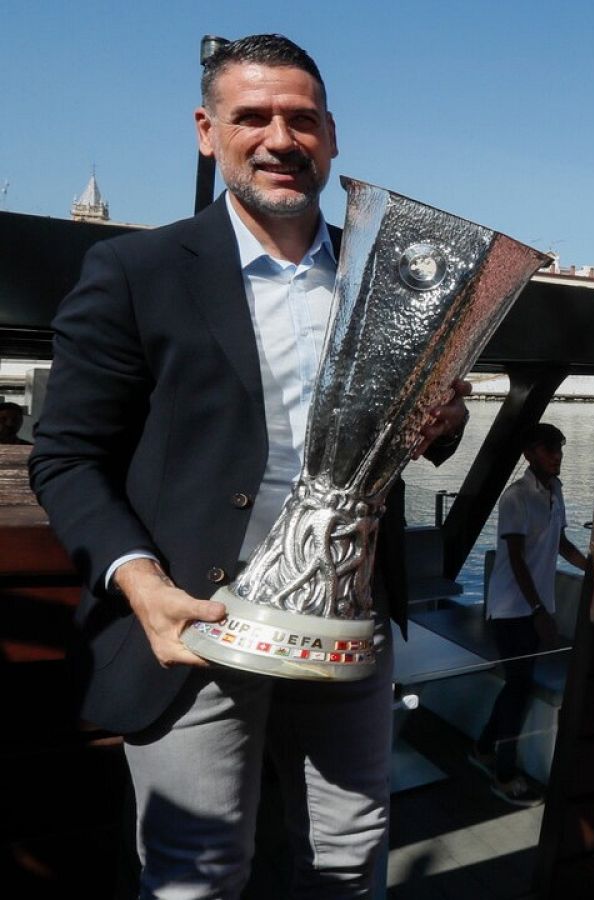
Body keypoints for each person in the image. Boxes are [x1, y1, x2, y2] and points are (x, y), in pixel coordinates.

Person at [28, 34, 468, 897]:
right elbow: (68, 456)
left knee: (349, 859)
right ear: (207, 130)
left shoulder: (392, 275)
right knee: (197, 873)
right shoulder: (133, 271)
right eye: (252, 117)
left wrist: (444, 419)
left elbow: (428, 435)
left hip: (348, 620)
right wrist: (140, 585)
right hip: (195, 617)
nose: (280, 138)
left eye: (301, 119)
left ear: (332, 136)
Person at [473, 421, 586, 805]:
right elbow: (517, 558)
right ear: (529, 454)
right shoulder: (515, 497)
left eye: (558, 448)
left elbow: (561, 542)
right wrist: (539, 610)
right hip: (511, 609)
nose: (556, 456)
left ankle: (484, 748)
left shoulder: (555, 491)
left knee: (517, 683)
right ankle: (503, 774)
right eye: (548, 448)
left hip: (537, 607)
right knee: (519, 686)